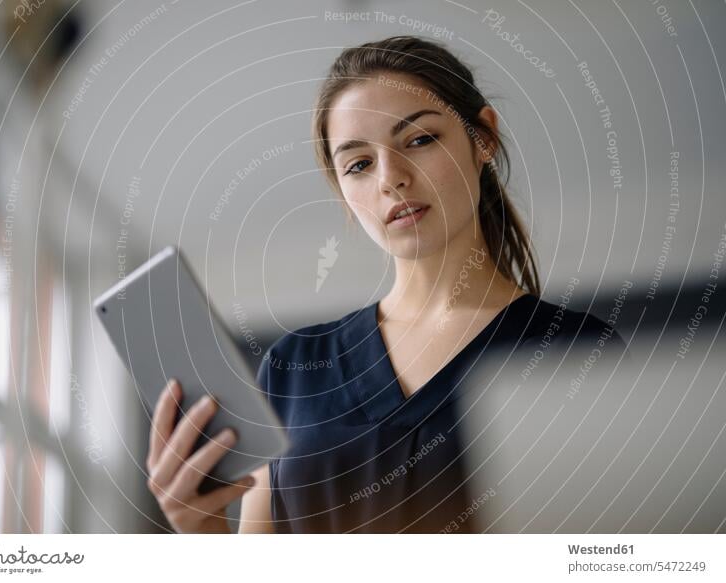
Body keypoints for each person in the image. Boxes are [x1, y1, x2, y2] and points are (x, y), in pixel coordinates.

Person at [145, 36, 629, 534]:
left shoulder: (576, 350)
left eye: (419, 140)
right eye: (359, 164)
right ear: (342, 191)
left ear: (482, 138)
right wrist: (201, 528)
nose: (391, 178)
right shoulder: (292, 370)